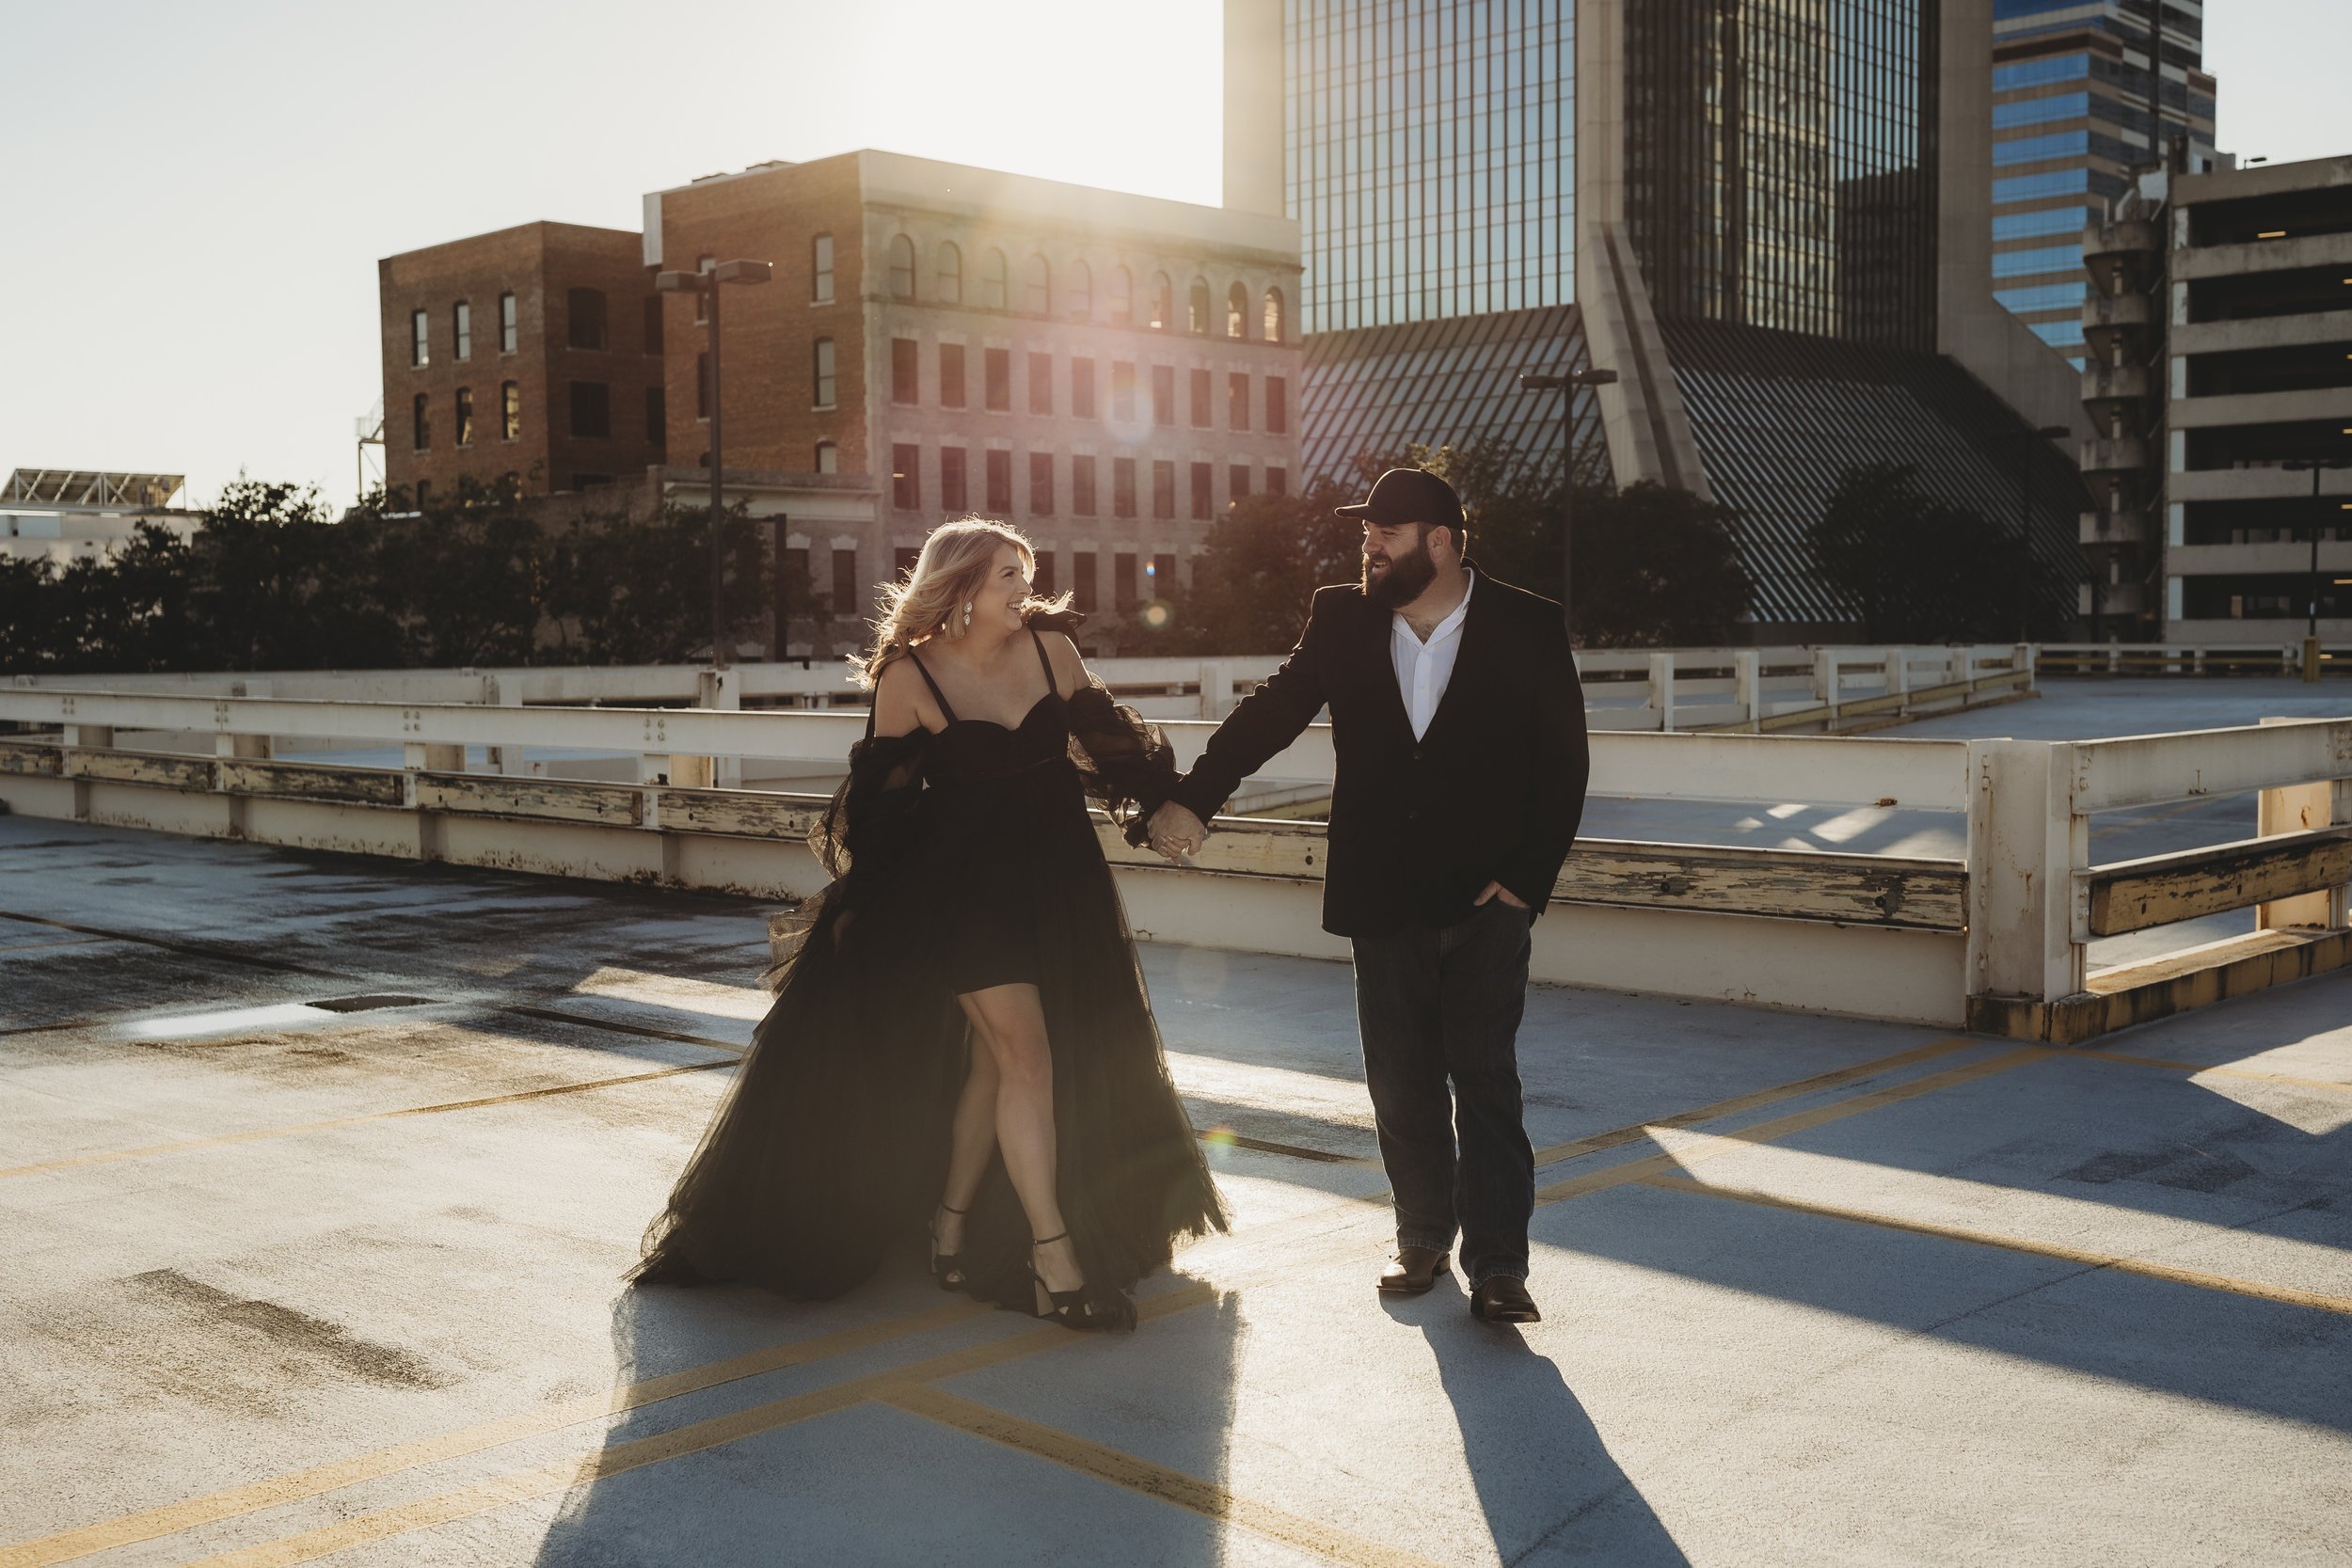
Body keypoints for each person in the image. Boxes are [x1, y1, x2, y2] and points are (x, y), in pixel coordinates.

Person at [633, 517, 1225, 1331]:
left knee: (994, 1063)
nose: (1026, 590)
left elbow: (1112, 749)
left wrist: (1165, 808)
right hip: (963, 895)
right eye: (1008, 576)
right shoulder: (909, 678)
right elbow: (879, 813)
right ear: (962, 587)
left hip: (1059, 883)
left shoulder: (1052, 649)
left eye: (1025, 573)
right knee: (1027, 1054)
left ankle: (948, 1226)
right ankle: (1053, 1254)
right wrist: (863, 909)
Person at [1149, 467, 1589, 1323]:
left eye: (1385, 533)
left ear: (1441, 541)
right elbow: (1272, 712)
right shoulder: (1343, 616)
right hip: (1379, 888)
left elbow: (1563, 759)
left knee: (1485, 1076)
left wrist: (1525, 881)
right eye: (1366, 534)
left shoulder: (1526, 622)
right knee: (1399, 1077)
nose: (1369, 547)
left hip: (1488, 897)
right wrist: (1194, 797)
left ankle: (1500, 1263)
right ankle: (1421, 1233)